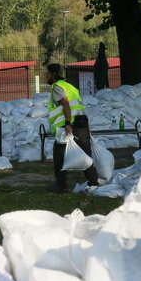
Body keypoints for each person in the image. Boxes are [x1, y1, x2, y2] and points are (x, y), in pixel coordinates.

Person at [46, 63, 98, 192]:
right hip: (81, 123)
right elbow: (79, 107)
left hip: (67, 127)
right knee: (85, 156)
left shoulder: (57, 87)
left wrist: (68, 124)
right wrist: (87, 128)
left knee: (59, 157)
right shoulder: (70, 87)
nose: (45, 76)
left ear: (53, 74)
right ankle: (93, 183)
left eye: (46, 73)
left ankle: (61, 186)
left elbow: (65, 104)